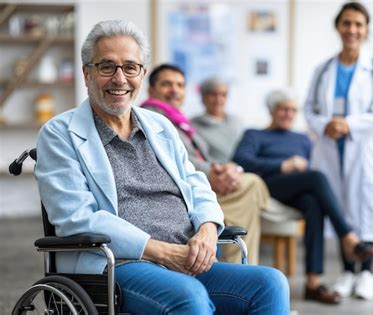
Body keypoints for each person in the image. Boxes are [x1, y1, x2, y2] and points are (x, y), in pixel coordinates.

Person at [35, 20, 289, 314]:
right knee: (188, 294)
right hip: (118, 264)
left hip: (186, 256)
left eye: (130, 67)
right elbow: (75, 217)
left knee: (270, 282)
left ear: (142, 74)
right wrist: (163, 252)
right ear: (87, 73)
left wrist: (207, 229)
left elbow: (197, 184)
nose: (120, 78)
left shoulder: (159, 125)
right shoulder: (59, 133)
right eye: (107, 66)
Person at [233, 88, 373, 305]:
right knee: (316, 178)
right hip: (267, 186)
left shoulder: (302, 139)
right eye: (283, 109)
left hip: (298, 189)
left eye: (293, 110)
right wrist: (283, 165)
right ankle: (348, 235)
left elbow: (314, 164)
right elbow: (241, 161)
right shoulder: (254, 134)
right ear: (272, 111)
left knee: (313, 203)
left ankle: (313, 283)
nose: (289, 114)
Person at [303, 2, 373, 301]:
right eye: (347, 23)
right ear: (338, 27)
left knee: (369, 208)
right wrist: (325, 126)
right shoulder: (323, 70)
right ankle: (348, 271)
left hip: (368, 149)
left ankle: (368, 272)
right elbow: (309, 109)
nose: (352, 30)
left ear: (366, 29)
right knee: (340, 209)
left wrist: (351, 124)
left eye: (358, 24)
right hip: (332, 149)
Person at [141, 64, 269, 266]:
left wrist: (223, 168)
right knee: (252, 185)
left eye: (180, 85)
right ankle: (239, 267)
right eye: (167, 84)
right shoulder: (152, 116)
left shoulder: (178, 120)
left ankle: (237, 266)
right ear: (151, 90)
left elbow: (199, 156)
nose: (175, 90)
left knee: (250, 186)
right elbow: (174, 161)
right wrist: (213, 172)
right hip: (183, 193)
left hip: (202, 182)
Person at [190, 77, 243, 163]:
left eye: (223, 95)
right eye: (213, 94)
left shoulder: (236, 121)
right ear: (203, 97)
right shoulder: (193, 126)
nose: (218, 100)